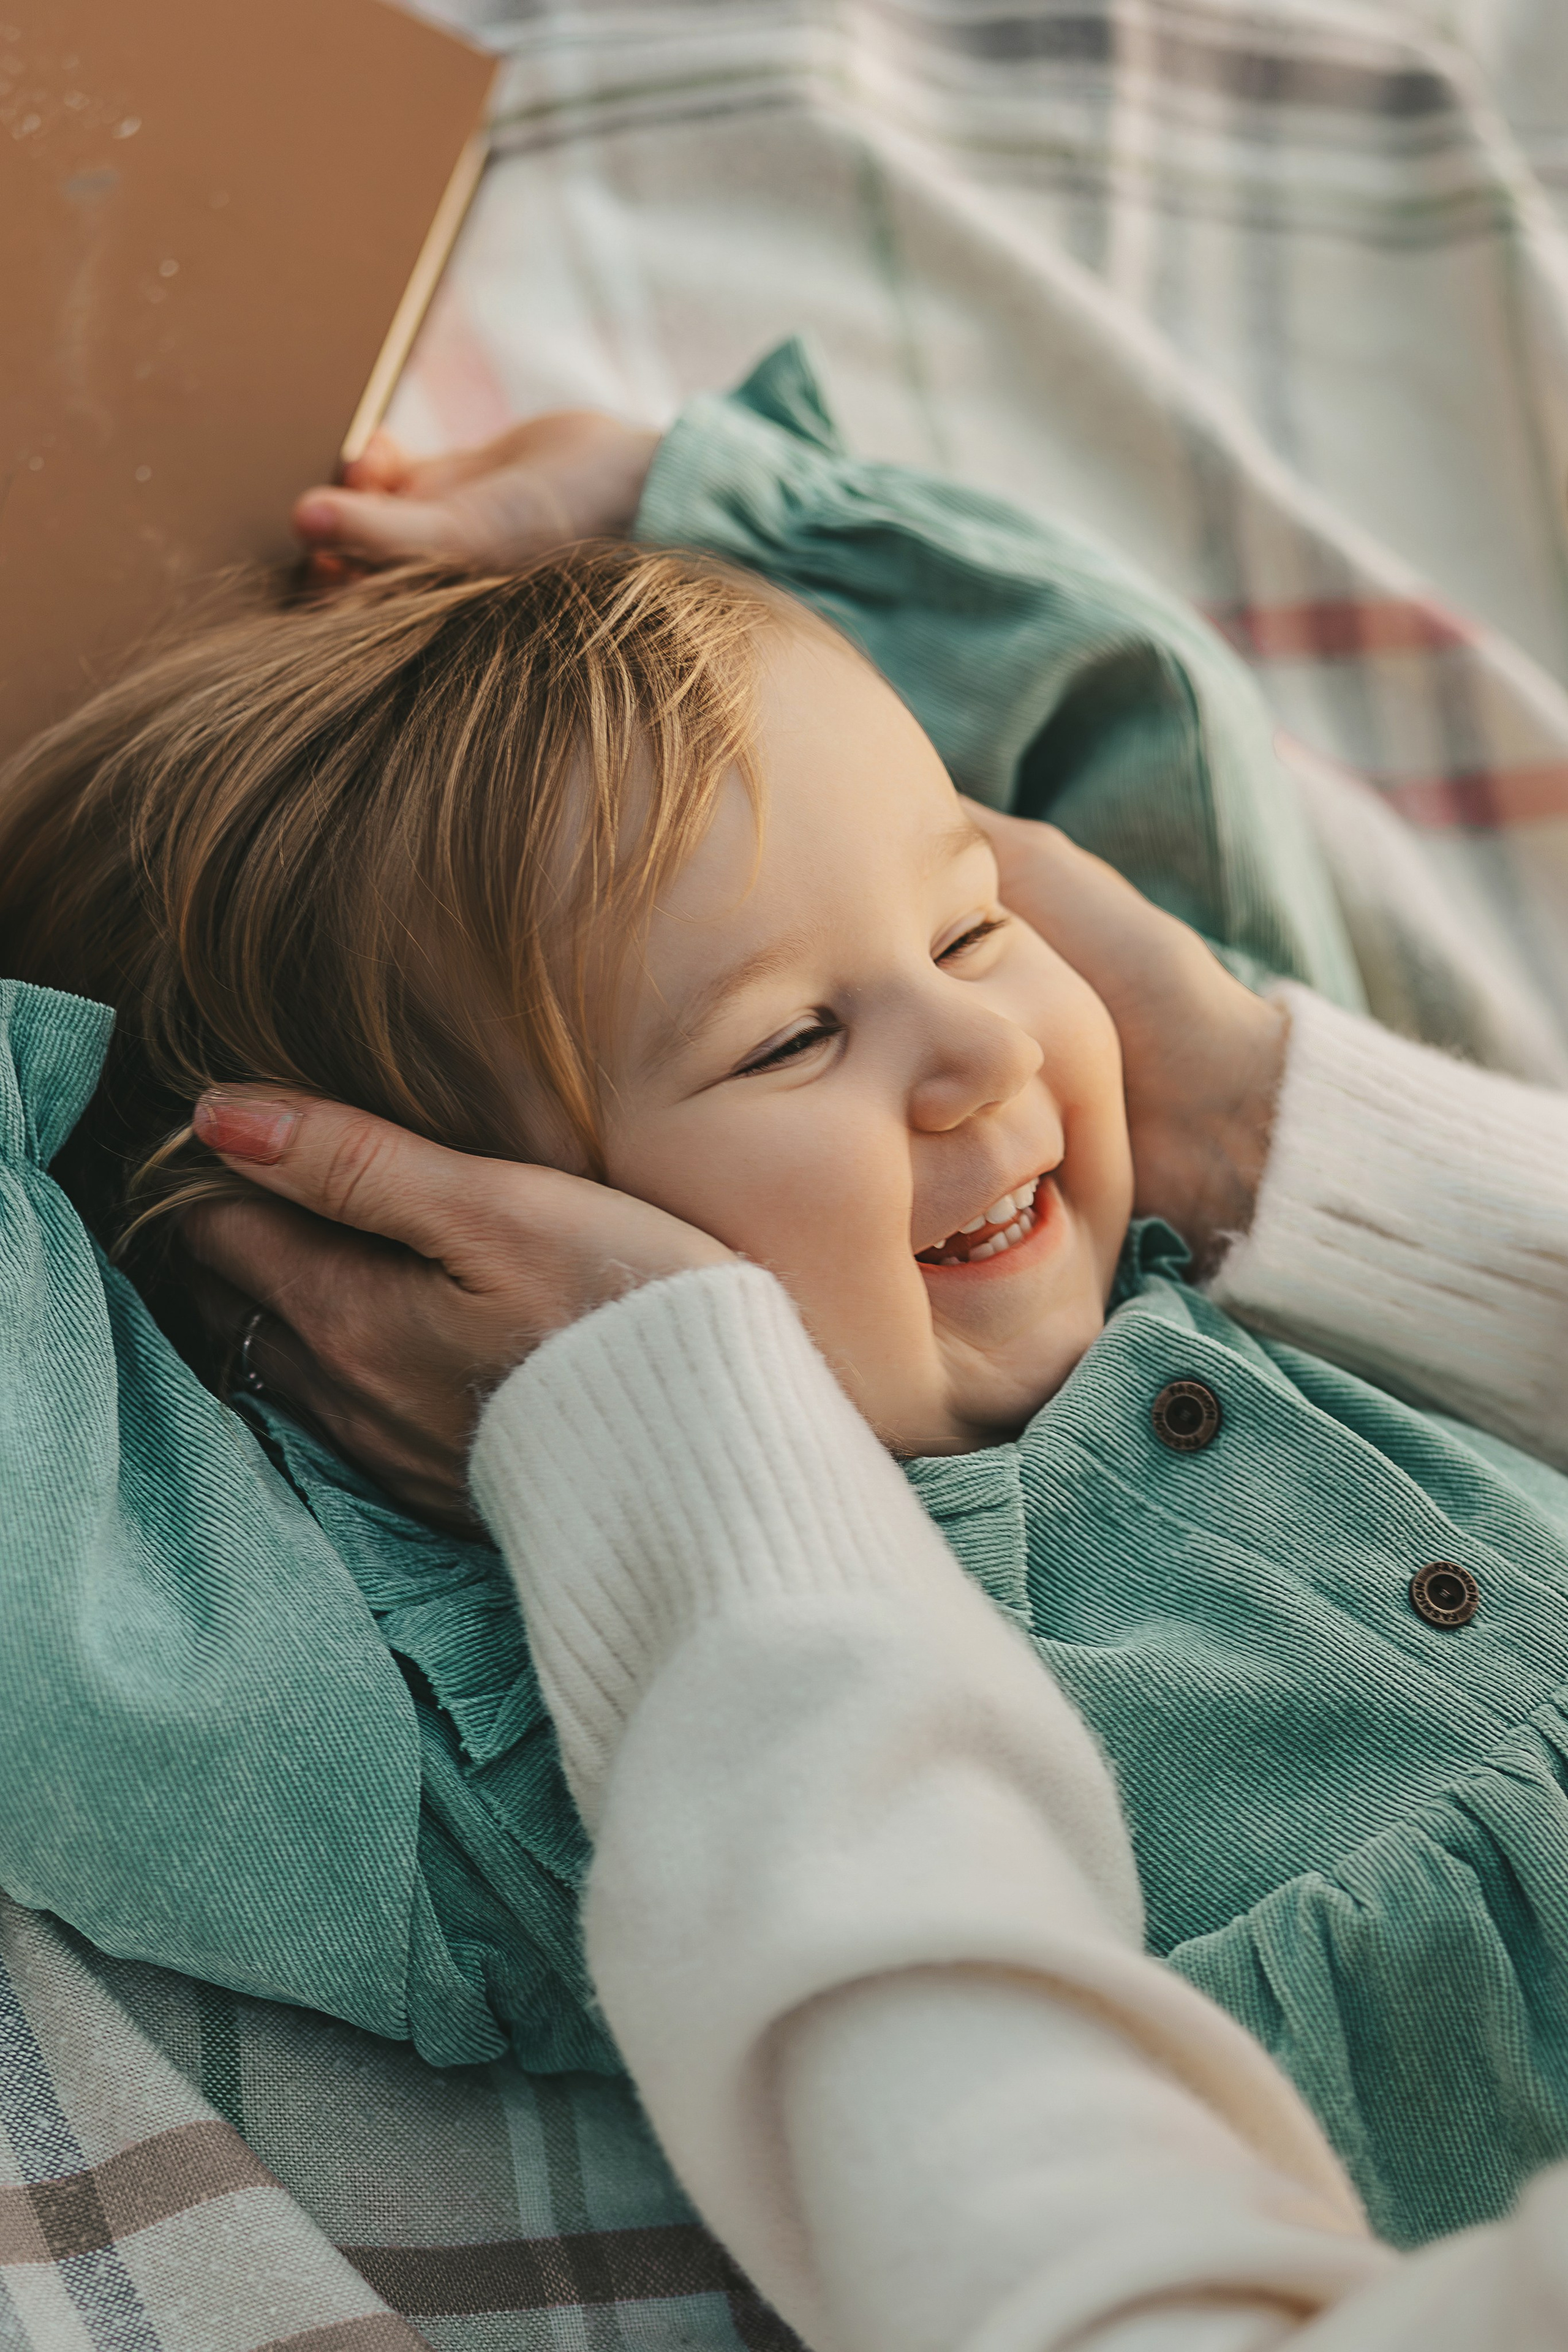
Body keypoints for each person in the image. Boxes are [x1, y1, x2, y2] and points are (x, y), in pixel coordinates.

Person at [1, 345, 1566, 2262]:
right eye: (793, 1039)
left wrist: (694, 499)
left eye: (972, 921)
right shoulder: (532, 1735)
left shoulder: (1252, 1239)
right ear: (424, 1263)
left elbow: (1121, 699)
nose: (983, 1045)